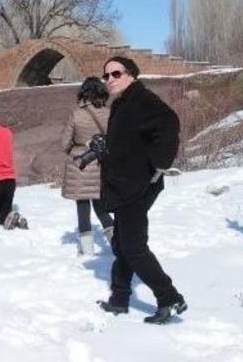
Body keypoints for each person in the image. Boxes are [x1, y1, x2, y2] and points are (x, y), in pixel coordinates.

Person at [98, 56, 186, 325]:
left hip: (137, 186)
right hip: (124, 184)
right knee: (122, 244)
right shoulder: (123, 102)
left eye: (116, 73)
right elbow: (130, 140)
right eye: (106, 76)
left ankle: (169, 297)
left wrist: (157, 165)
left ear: (131, 74)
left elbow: (169, 123)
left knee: (134, 246)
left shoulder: (142, 100)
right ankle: (120, 298)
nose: (110, 79)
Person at [60, 77, 114, 255]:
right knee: (101, 205)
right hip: (104, 165)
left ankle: (87, 249)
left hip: (82, 164)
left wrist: (77, 149)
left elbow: (64, 143)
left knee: (82, 206)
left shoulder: (77, 114)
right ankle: (115, 240)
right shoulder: (110, 113)